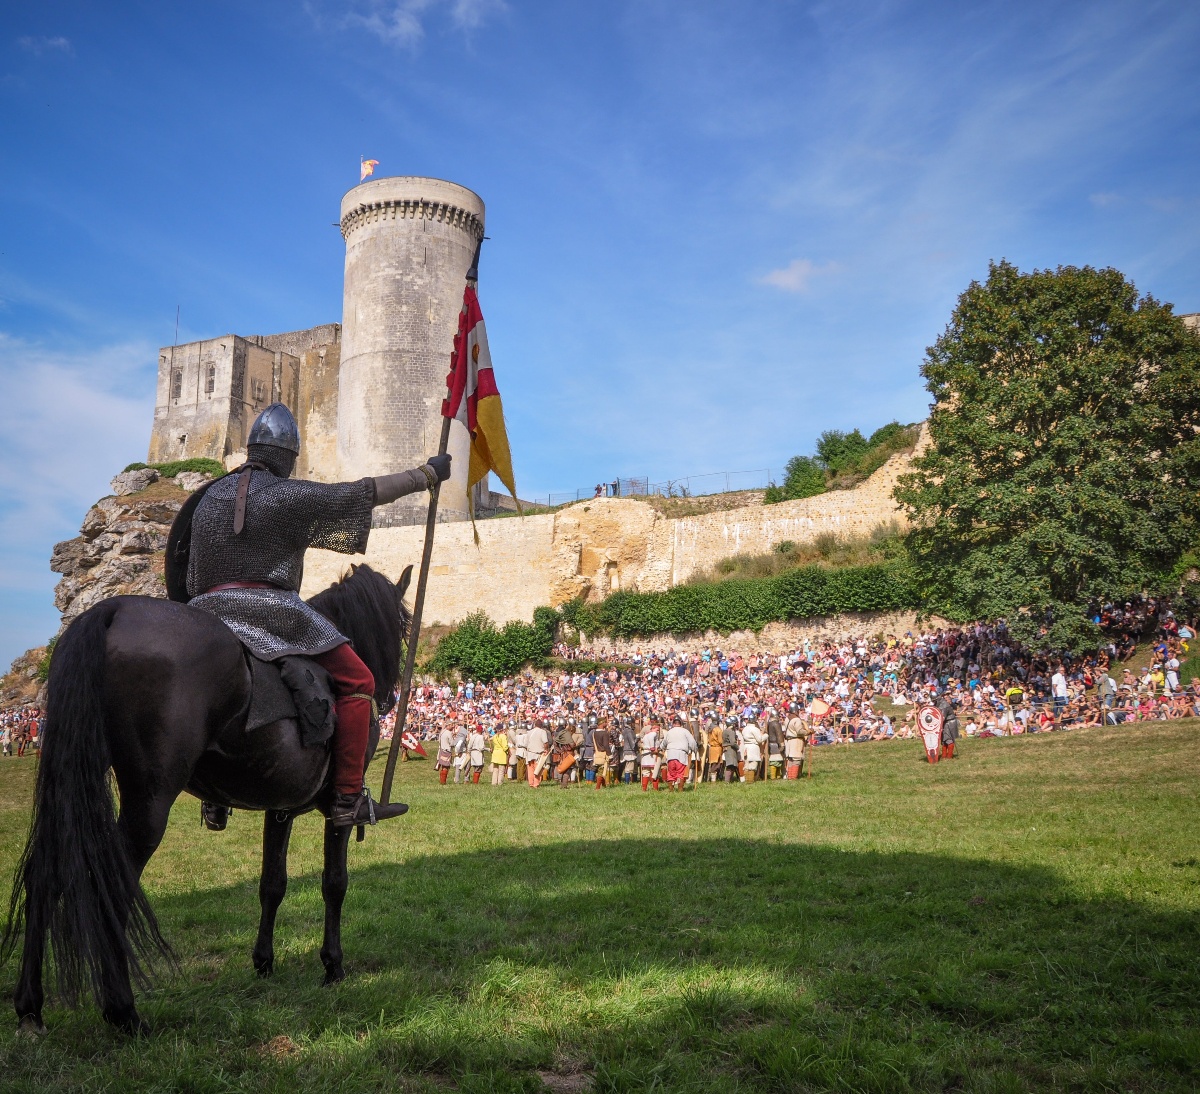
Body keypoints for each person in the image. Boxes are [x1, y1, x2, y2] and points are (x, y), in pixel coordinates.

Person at [174, 402, 451, 828]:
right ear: (286, 456)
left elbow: (187, 573)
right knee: (360, 682)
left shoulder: (209, 497)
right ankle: (346, 799)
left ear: (251, 447)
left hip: (206, 614)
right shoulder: (284, 494)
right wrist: (426, 476)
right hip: (273, 612)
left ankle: (213, 795)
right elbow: (362, 493)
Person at [661, 717, 697, 791]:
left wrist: (661, 747)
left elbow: (663, 744)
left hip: (671, 754)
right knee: (680, 773)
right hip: (681, 755)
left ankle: (671, 790)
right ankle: (680, 790)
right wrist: (695, 750)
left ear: (673, 723)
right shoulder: (685, 731)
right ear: (680, 724)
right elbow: (692, 743)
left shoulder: (669, 732)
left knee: (671, 773)